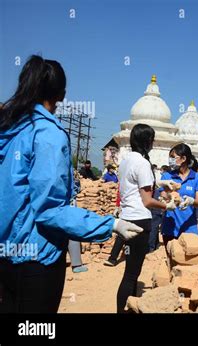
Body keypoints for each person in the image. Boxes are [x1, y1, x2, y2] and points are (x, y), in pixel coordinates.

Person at [0, 55, 143, 313]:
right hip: (37, 259)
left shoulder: (10, 130)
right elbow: (49, 211)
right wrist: (111, 224)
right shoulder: (48, 135)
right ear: (62, 95)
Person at [115, 124, 177, 312]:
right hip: (140, 221)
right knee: (132, 274)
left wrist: (160, 182)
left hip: (126, 219)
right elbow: (148, 201)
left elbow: (135, 185)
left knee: (130, 272)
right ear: (147, 141)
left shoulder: (126, 160)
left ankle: (129, 308)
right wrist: (167, 205)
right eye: (152, 140)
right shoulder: (142, 163)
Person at [160, 143, 198, 246]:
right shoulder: (167, 176)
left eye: (173, 157)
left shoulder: (197, 178)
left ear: (183, 158)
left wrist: (191, 201)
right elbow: (163, 196)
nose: (170, 160)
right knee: (172, 258)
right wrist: (171, 197)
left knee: (189, 259)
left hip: (189, 227)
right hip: (170, 227)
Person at [148, 165, 172, 253]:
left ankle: (151, 247)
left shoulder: (164, 176)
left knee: (153, 225)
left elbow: (162, 193)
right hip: (162, 203)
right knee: (156, 224)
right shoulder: (171, 176)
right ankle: (156, 243)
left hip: (157, 202)